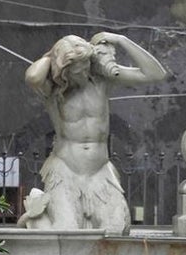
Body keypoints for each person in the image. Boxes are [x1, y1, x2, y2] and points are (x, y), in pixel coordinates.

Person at [16, 32, 168, 233]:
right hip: (66, 169)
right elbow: (33, 77)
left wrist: (121, 40)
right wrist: (53, 55)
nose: (84, 72)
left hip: (100, 172)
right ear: (64, 71)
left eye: (87, 65)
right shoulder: (52, 90)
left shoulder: (101, 80)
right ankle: (35, 218)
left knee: (116, 229)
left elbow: (156, 74)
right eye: (78, 70)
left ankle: (41, 213)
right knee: (66, 230)